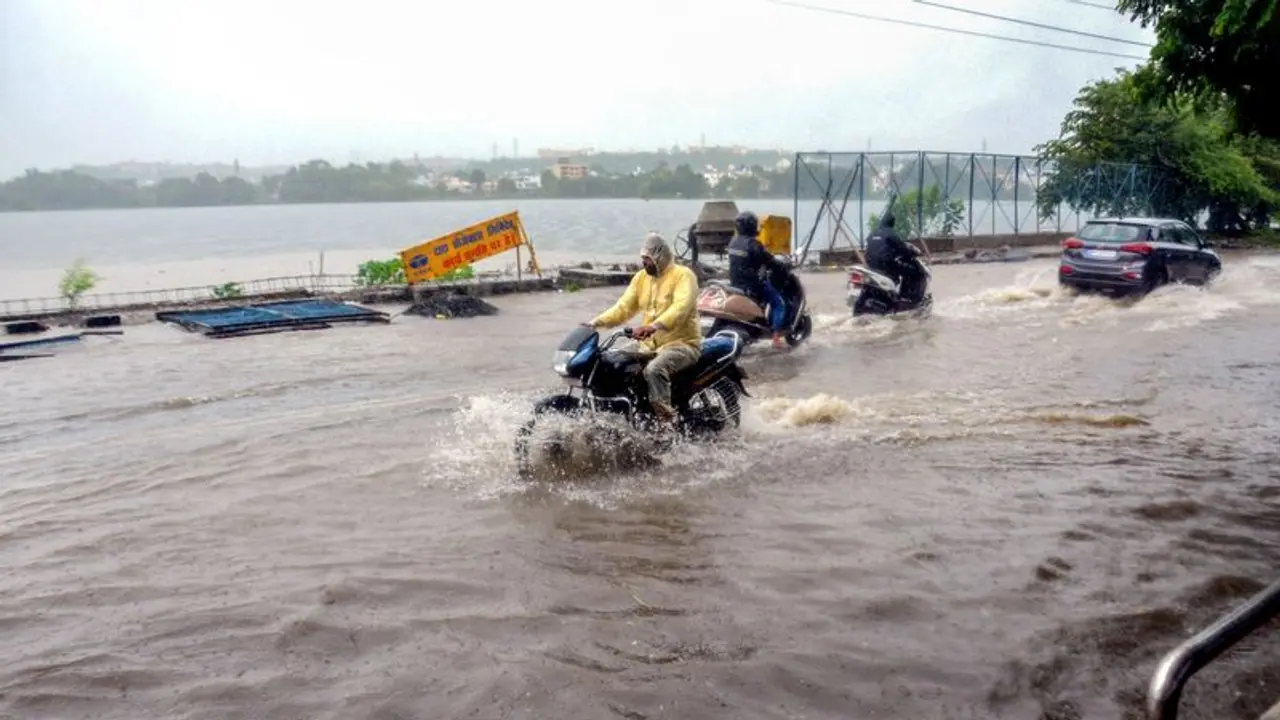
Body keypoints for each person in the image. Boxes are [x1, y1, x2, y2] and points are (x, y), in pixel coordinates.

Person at [586, 232, 702, 425]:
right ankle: (629, 412)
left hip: (682, 345)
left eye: (647, 259)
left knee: (654, 370)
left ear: (660, 257)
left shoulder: (683, 276)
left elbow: (681, 307)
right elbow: (623, 308)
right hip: (648, 346)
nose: (644, 263)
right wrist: (594, 323)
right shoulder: (641, 279)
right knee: (611, 361)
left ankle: (666, 424)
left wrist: (654, 326)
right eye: (643, 258)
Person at [726, 210, 789, 350]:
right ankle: (776, 338)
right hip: (752, 285)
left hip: (735, 283)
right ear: (753, 226)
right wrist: (783, 265)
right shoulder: (754, 244)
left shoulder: (733, 242)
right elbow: (770, 261)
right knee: (779, 304)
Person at [864, 212, 926, 306]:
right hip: (886, 266)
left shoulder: (872, 234)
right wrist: (910, 254)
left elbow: (869, 249)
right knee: (912, 271)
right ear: (892, 223)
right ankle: (906, 298)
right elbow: (903, 249)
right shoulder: (891, 234)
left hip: (871, 266)